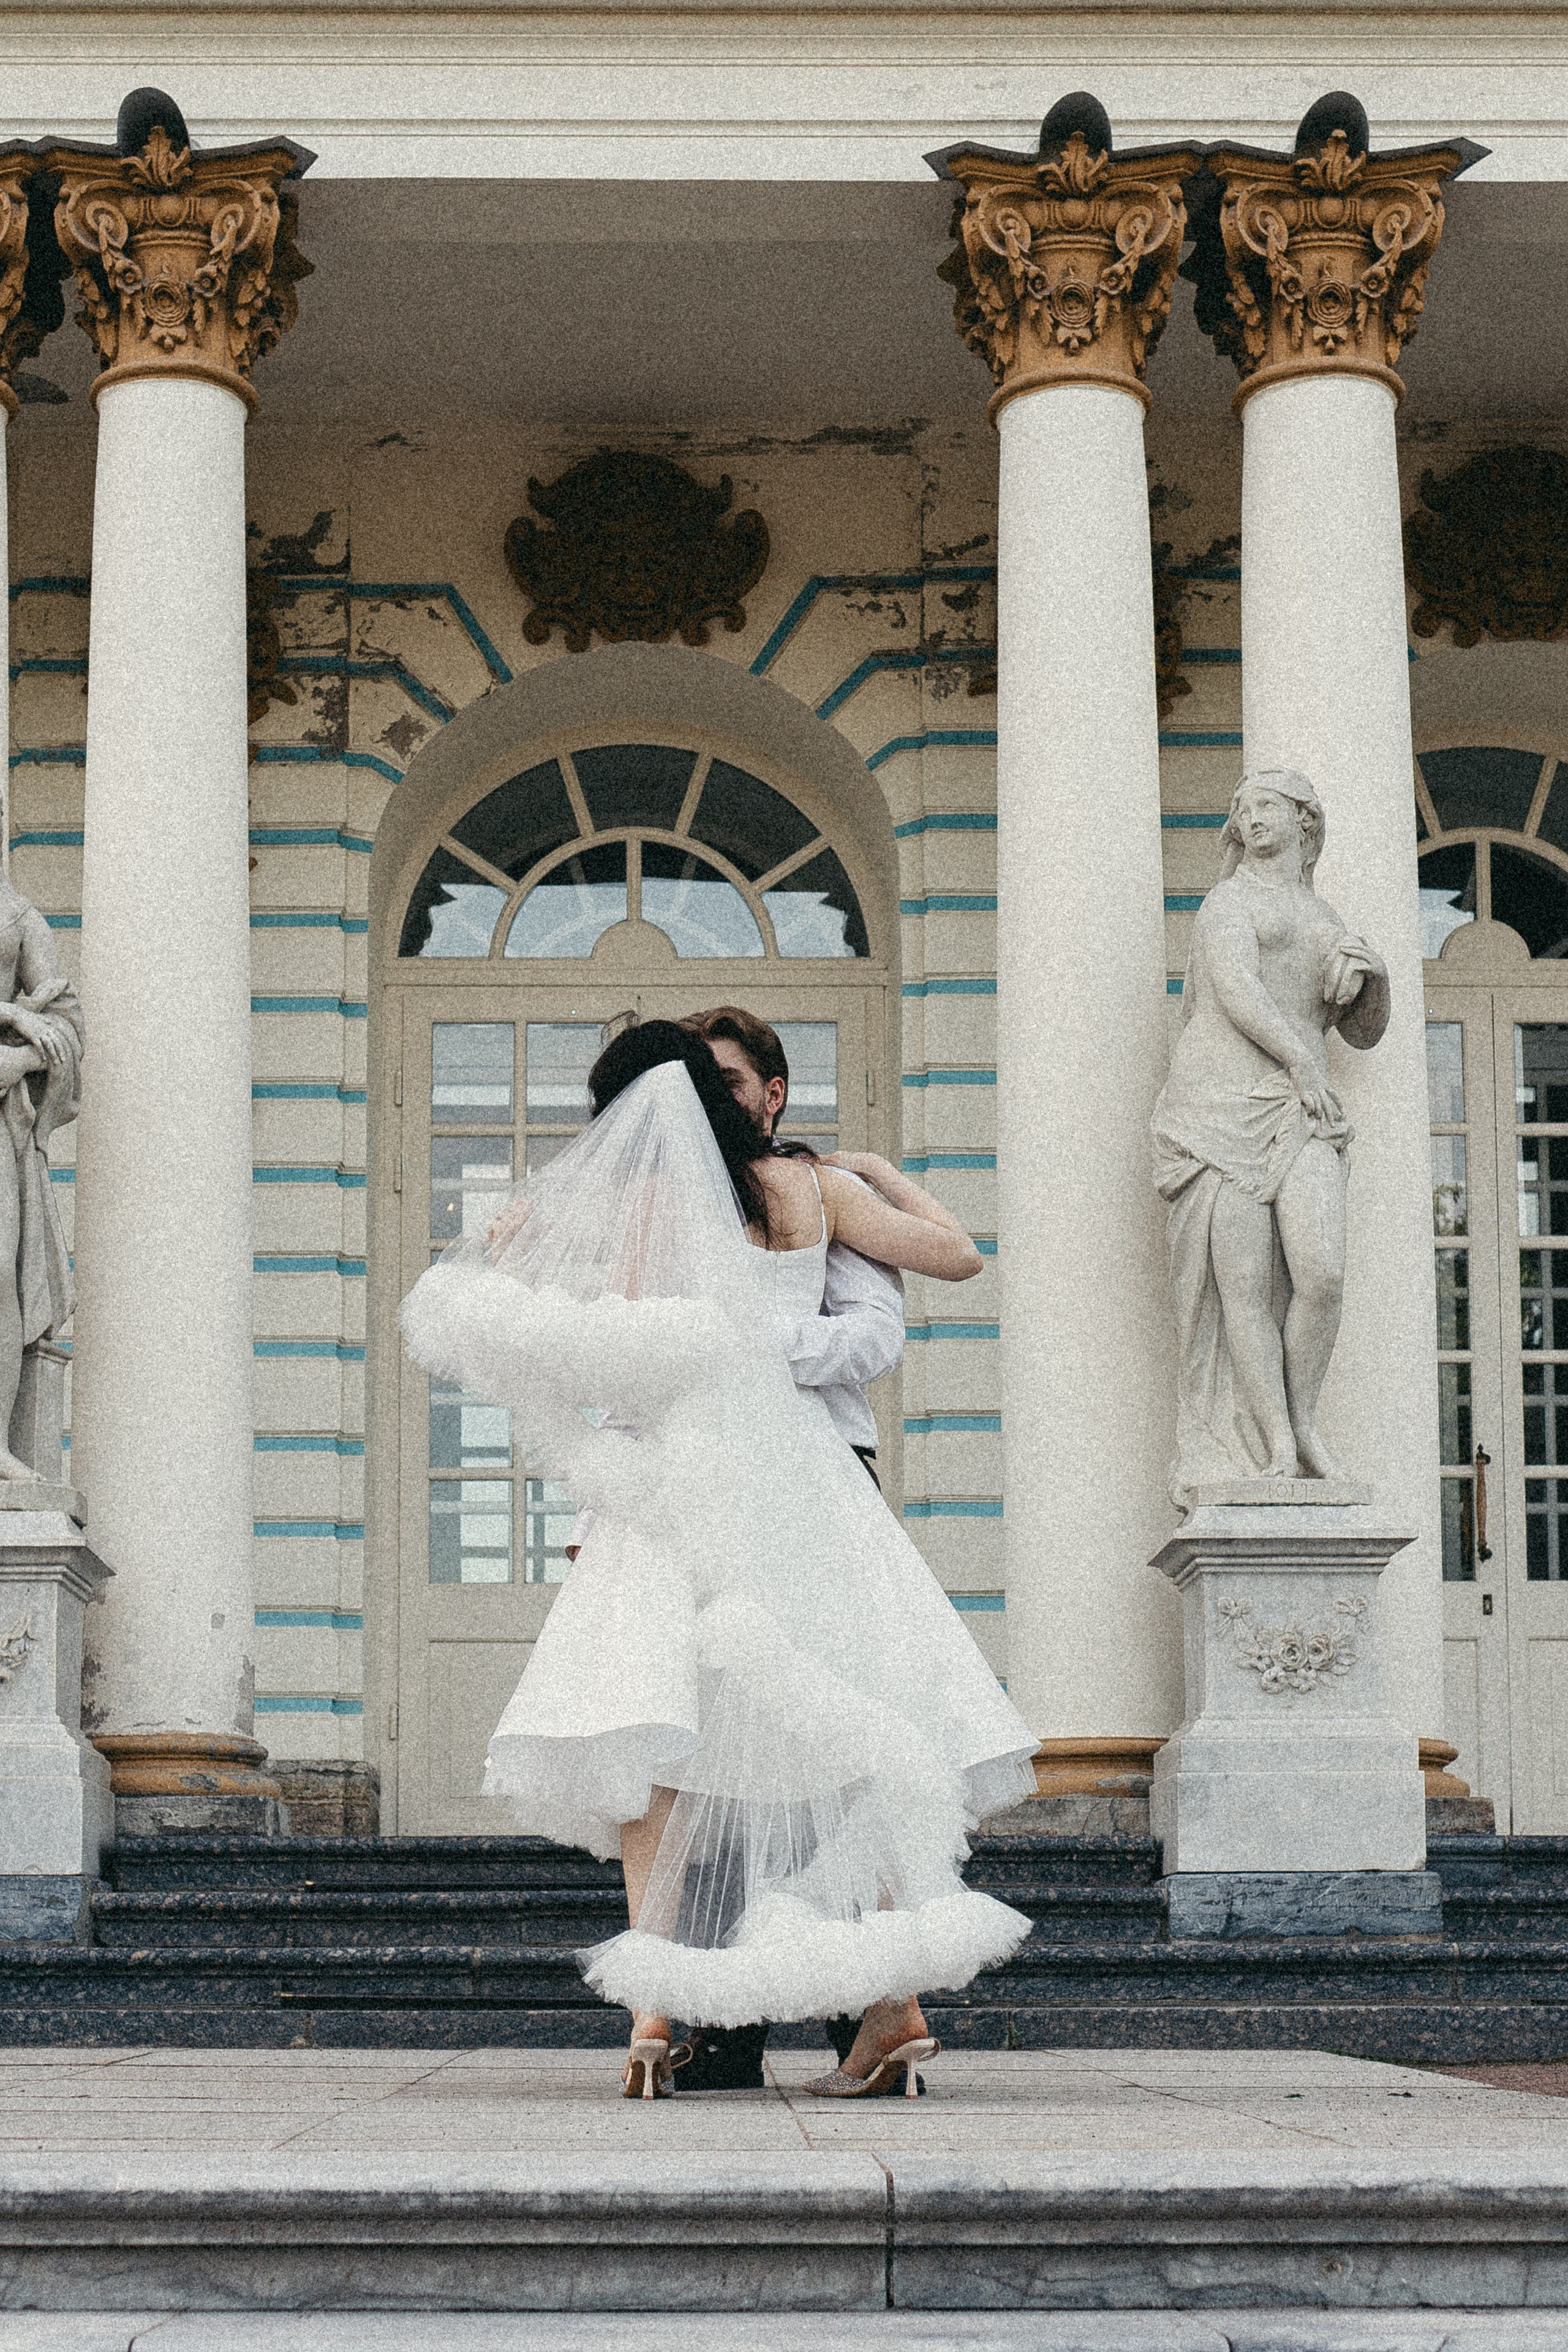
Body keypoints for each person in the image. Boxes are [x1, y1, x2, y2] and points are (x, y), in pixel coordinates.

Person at [401, 1019, 1036, 2100]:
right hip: (806, 1484)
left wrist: (512, 1253)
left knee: (651, 1741)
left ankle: (657, 2008)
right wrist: (878, 1176)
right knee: (846, 1734)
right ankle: (896, 2007)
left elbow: (613, 1355)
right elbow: (959, 1256)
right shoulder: (809, 1192)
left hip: (679, 1490)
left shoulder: (639, 1211)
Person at [1152, 770, 1390, 1503]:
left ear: (1305, 821)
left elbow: (1361, 1032)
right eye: (1242, 809)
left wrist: (1375, 979)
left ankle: (1305, 1419)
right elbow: (1234, 987)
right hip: (1220, 1105)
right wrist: (1297, 1060)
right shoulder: (1230, 900)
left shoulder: (1325, 917)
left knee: (1321, 1274)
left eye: (1267, 806)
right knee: (1242, 1287)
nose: (1251, 818)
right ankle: (1277, 1445)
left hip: (1300, 1109)